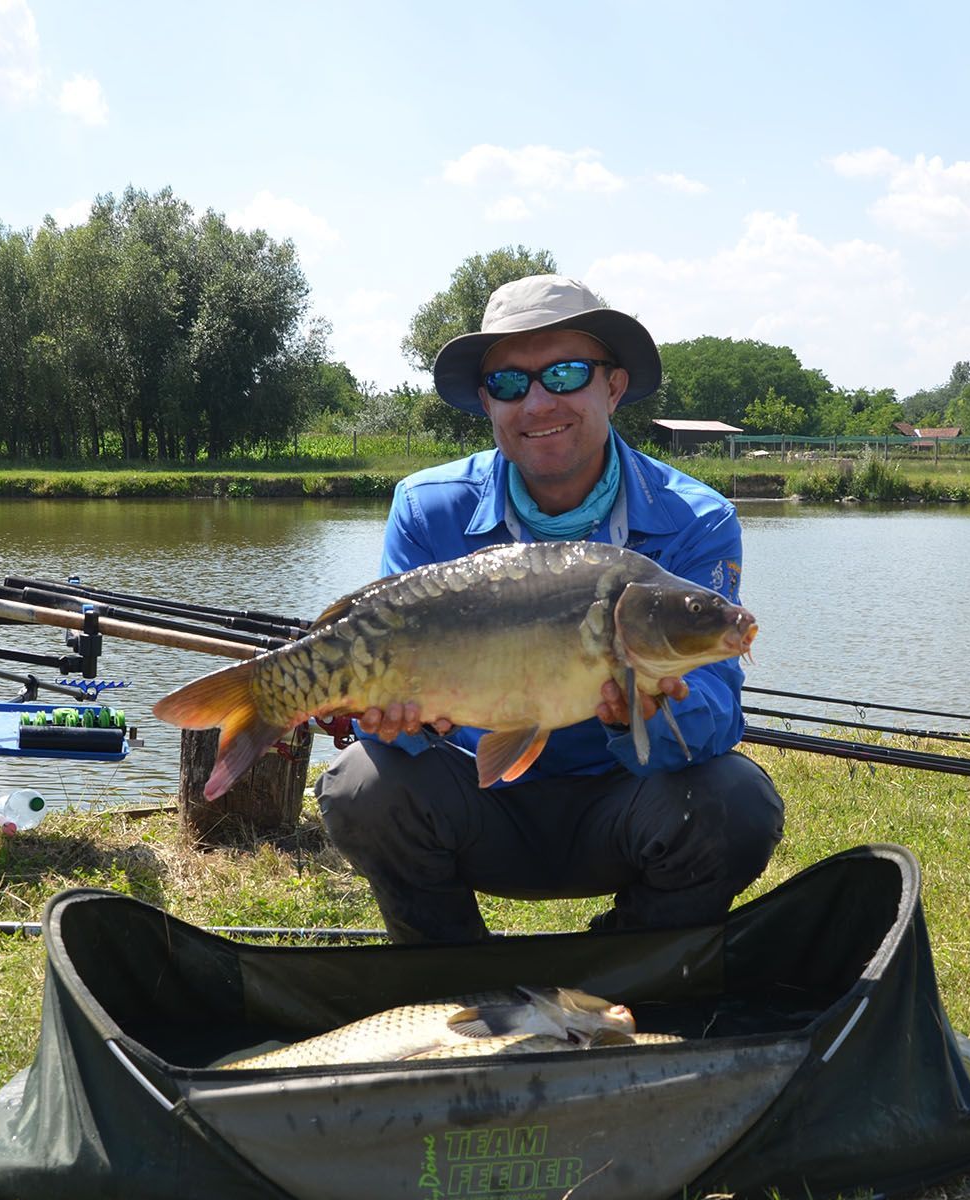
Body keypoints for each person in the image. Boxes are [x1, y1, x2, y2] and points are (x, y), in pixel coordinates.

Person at [314, 275, 784, 943]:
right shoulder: (427, 508)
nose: (538, 402)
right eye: (509, 383)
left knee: (736, 801)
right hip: (478, 808)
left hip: (624, 805)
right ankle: (452, 979)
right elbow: (391, 676)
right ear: (486, 401)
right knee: (363, 784)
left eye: (565, 374)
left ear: (612, 386)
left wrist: (654, 708)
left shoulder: (696, 519)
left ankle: (624, 972)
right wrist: (391, 719)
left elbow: (718, 712)